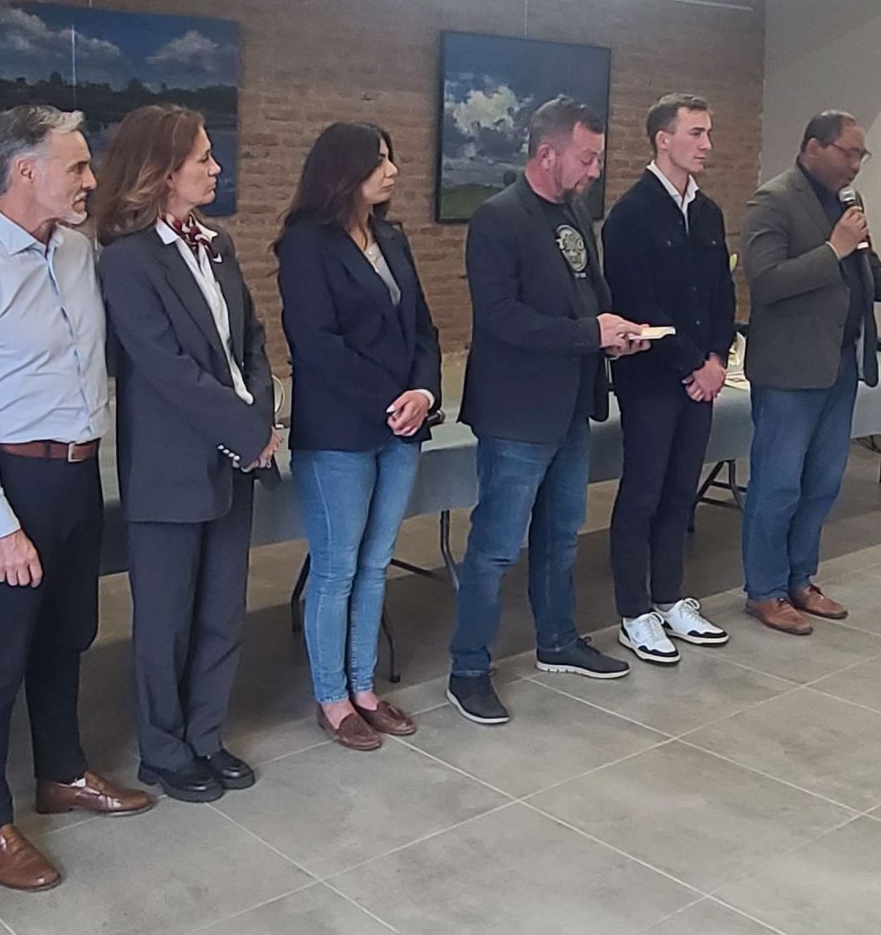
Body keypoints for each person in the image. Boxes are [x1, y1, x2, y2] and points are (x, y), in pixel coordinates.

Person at [0, 104, 152, 894]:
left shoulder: (79, 254)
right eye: (77, 166)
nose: (91, 179)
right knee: (0, 658)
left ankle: (63, 773)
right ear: (26, 172)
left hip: (80, 474)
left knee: (68, 635)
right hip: (14, 481)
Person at [93, 104, 278, 800]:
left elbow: (251, 339)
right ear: (163, 171)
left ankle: (206, 735)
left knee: (222, 612)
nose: (216, 167)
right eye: (204, 157)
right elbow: (166, 369)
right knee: (165, 621)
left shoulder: (218, 244)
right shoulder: (127, 260)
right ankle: (164, 750)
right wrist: (248, 431)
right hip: (170, 467)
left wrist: (260, 414)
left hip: (235, 461)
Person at [445, 97, 648, 727]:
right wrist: (590, 332)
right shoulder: (497, 219)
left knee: (562, 535)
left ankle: (557, 640)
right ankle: (468, 669)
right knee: (496, 547)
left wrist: (616, 332)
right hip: (516, 410)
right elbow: (501, 318)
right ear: (546, 154)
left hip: (571, 403)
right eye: (587, 158)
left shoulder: (576, 211)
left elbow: (589, 293)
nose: (594, 171)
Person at [274, 122, 442, 750]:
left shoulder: (391, 237)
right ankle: (332, 697)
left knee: (375, 564)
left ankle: (364, 689)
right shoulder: (305, 245)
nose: (392, 170)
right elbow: (317, 346)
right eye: (378, 160)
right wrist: (390, 401)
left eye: (391, 158)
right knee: (338, 568)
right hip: (339, 431)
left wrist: (423, 393)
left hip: (402, 425)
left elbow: (424, 329)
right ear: (341, 170)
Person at [739, 111, 881, 635]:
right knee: (777, 487)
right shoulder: (772, 201)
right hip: (789, 372)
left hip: (840, 364)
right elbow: (765, 281)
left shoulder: (848, 203)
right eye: (849, 153)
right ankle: (765, 591)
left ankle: (800, 579)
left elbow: (867, 267)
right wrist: (832, 249)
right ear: (813, 147)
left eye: (862, 155)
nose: (856, 165)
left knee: (820, 485)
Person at [602, 94, 735, 665]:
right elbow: (637, 302)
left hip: (702, 374)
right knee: (644, 492)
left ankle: (669, 596)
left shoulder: (708, 213)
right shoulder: (631, 214)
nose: (707, 144)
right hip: (653, 377)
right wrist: (690, 364)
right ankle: (634, 612)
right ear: (663, 139)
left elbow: (722, 293)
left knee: (682, 490)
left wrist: (717, 358)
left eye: (707, 133)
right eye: (696, 133)